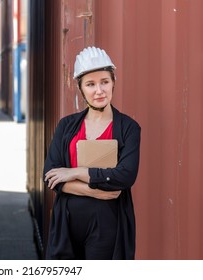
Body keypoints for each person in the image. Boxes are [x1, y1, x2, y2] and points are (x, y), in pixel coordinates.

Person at [43, 46, 141, 260]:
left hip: (106, 226)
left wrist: (75, 172)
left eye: (104, 82)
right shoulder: (66, 126)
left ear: (113, 81)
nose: (99, 90)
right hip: (67, 225)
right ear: (81, 88)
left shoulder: (129, 128)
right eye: (90, 84)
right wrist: (97, 191)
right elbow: (50, 176)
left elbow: (125, 176)